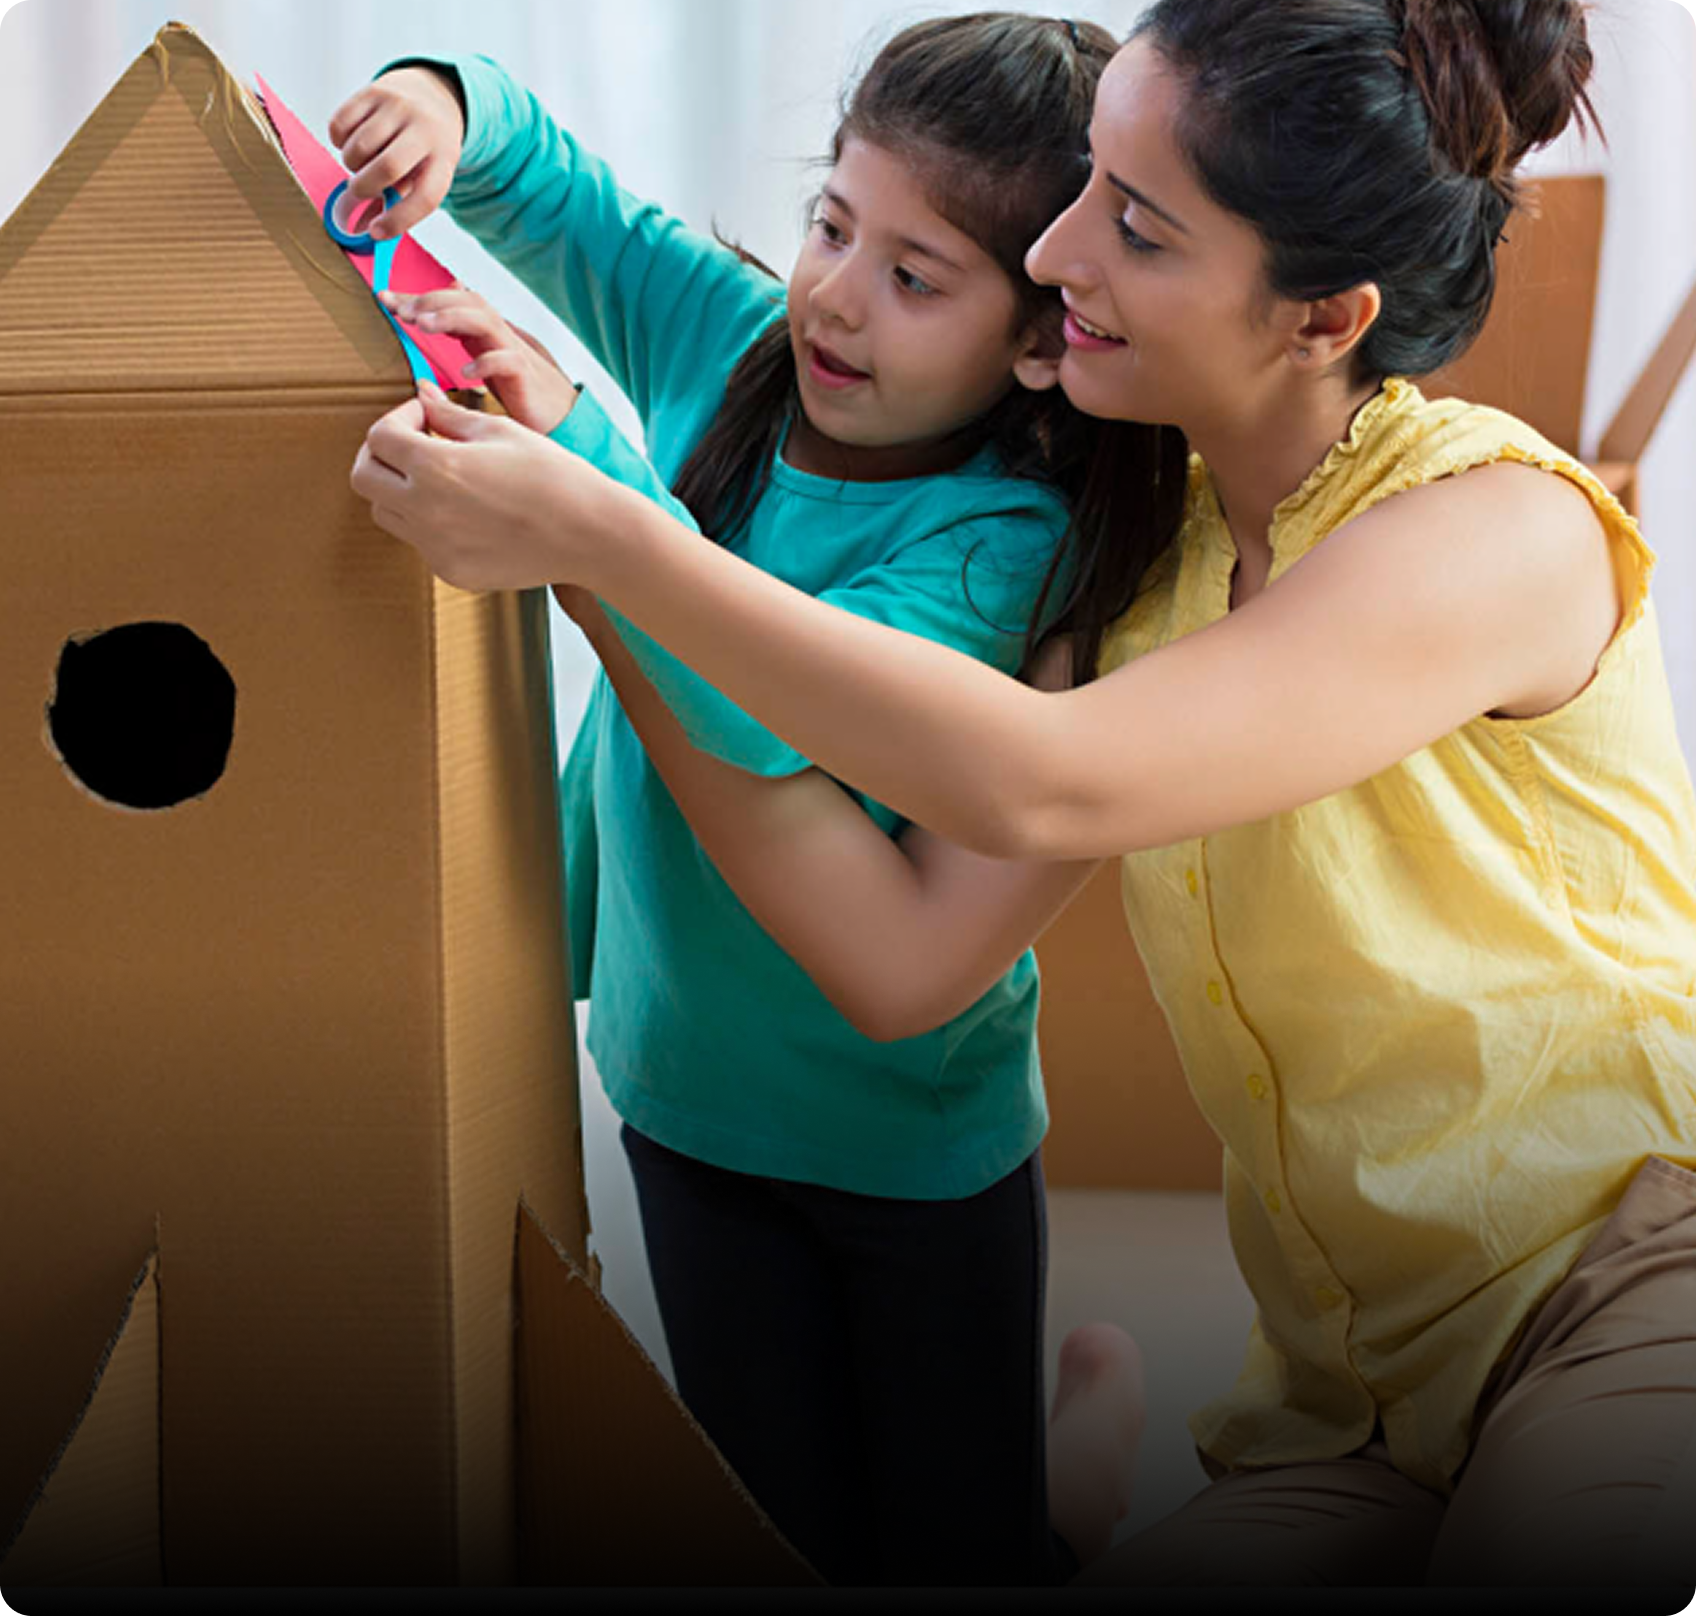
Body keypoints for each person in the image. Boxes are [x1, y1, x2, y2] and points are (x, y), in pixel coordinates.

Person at [350, 0, 1696, 1588]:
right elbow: (909, 923)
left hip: (1623, 1285)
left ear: (1321, 315)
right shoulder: (1142, 549)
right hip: (1354, 1392)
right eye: (1081, 192)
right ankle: (1073, 1488)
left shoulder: (1491, 531)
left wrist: (612, 544)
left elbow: (1038, 780)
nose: (1055, 256)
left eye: (1128, 220)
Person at [334, 14, 1168, 1587]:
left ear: (1043, 336)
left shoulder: (1003, 539)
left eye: (919, 280)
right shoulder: (738, 350)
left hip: (917, 1153)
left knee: (958, 1544)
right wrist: (443, 107)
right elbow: (558, 193)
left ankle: (1085, 1478)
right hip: (680, 1099)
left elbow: (769, 716)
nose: (838, 299)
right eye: (831, 224)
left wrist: (589, 479)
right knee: (778, 1519)